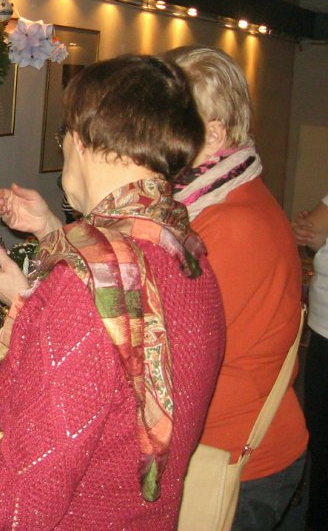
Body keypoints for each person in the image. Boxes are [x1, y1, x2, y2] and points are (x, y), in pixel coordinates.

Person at [0, 55, 225, 529]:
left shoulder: (90, 283)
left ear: (83, 140)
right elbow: (68, 398)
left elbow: (18, 507)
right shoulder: (185, 253)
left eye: (64, 133)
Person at [165, 46, 308, 530]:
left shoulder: (229, 222)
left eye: (167, 118)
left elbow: (170, 349)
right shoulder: (215, 200)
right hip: (232, 446)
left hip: (237, 461)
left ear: (213, 134)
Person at [294, 192, 328, 529]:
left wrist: (316, 236)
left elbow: (315, 228)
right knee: (319, 442)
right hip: (322, 329)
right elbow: (312, 232)